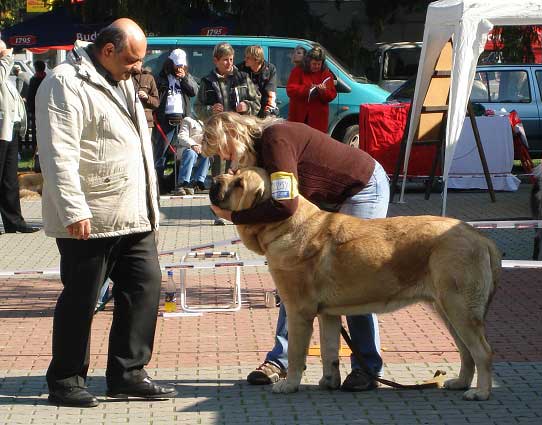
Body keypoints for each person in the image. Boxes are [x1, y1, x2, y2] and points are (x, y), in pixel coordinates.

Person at [35, 18, 176, 408]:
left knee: (144, 289)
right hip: (90, 215)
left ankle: (128, 374)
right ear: (108, 50)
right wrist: (73, 209)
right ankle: (65, 380)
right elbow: (57, 153)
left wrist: (152, 204)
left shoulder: (124, 78)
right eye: (132, 60)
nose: (138, 68)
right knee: (82, 298)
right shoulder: (64, 83)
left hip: (133, 211)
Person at [203, 111, 389, 392]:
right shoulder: (261, 154)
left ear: (233, 132)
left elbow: (286, 205)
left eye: (223, 148)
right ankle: (281, 361)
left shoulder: (275, 140)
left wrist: (235, 218)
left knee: (355, 278)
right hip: (329, 198)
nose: (226, 157)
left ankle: (366, 367)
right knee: (292, 277)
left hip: (362, 188)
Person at [195, 42, 260, 224]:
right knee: (220, 174)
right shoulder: (207, 81)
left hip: (239, 134)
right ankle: (219, 211)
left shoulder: (242, 77)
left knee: (240, 171)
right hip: (220, 136)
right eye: (225, 60)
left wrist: (247, 105)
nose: (229, 63)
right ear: (216, 60)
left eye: (231, 59)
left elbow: (257, 102)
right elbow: (197, 108)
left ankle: (242, 207)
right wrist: (209, 109)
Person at [0, 40, 39, 234]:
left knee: (9, 180)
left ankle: (14, 221)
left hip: (9, 129)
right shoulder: (2, 72)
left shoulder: (5, 76)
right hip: (1, 130)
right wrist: (6, 57)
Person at [155, 48, 198, 192]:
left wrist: (184, 78)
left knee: (183, 152)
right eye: (177, 65)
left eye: (182, 65)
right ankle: (159, 185)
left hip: (182, 119)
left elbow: (194, 91)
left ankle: (181, 183)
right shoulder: (161, 78)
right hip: (165, 119)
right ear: (170, 63)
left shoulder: (186, 76)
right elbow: (157, 98)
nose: (179, 68)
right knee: (161, 154)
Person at [286, 45, 336, 133]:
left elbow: (331, 95)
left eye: (319, 64)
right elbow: (290, 90)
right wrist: (307, 89)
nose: (316, 66)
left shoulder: (327, 75)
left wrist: (323, 92)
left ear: (322, 63)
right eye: (314, 64)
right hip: (299, 117)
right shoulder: (298, 71)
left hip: (318, 121)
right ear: (308, 62)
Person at [237, 45, 278, 118]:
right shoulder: (240, 68)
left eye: (248, 58)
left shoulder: (270, 69)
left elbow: (271, 93)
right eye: (245, 57)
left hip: (265, 107)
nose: (245, 59)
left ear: (256, 59)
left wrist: (267, 113)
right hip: (247, 110)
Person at [172, 116, 210, 195]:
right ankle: (182, 184)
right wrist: (193, 145)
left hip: (201, 150)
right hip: (187, 148)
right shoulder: (188, 120)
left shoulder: (206, 124)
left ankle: (195, 182)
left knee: (207, 155)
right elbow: (182, 136)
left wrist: (202, 147)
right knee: (191, 153)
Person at [26, 60, 47, 172]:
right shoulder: (47, 79)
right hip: (46, 111)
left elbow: (30, 97)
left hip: (36, 111)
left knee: (36, 134)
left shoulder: (34, 80)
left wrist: (30, 108)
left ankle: (36, 156)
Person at [132, 66, 159, 134]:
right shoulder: (124, 77)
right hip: (130, 121)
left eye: (138, 61)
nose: (135, 64)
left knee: (146, 144)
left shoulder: (149, 77)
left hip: (146, 121)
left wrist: (147, 97)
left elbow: (156, 103)